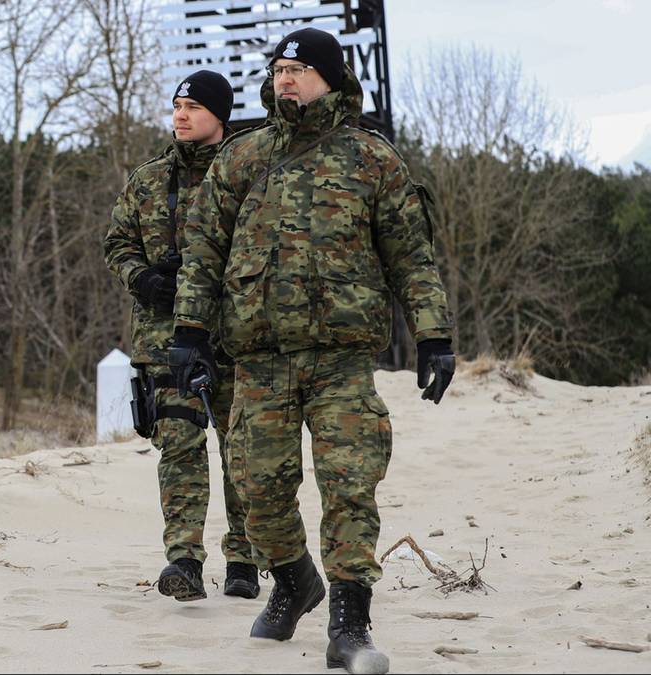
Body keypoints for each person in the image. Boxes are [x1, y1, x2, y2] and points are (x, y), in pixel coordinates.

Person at [167, 28, 456, 674]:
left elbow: (410, 254)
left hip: (340, 359)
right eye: (278, 70)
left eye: (298, 68)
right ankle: (295, 579)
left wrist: (434, 335)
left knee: (350, 486)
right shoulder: (242, 160)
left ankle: (349, 622)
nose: (285, 79)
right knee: (259, 486)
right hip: (260, 360)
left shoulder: (371, 159)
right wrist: (188, 333)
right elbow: (203, 253)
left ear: (330, 77)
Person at [104, 70, 260, 603]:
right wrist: (144, 279)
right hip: (163, 336)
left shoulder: (249, 174)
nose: (181, 115)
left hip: (234, 336)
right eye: (176, 105)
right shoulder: (147, 180)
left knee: (242, 450)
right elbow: (118, 243)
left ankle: (243, 558)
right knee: (178, 446)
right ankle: (184, 560)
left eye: (193, 106)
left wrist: (210, 276)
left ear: (220, 115)